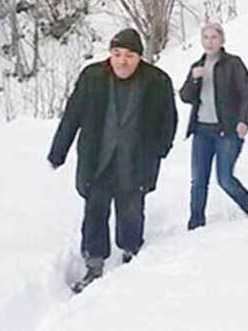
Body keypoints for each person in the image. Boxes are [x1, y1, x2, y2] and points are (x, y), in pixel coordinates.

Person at [47, 29, 177, 293]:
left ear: (139, 58)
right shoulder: (92, 77)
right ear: (110, 55)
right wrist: (58, 152)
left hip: (136, 161)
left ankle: (130, 253)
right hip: (98, 161)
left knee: (131, 212)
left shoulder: (157, 81)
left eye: (129, 55)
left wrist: (160, 149)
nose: (122, 61)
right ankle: (94, 265)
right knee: (94, 213)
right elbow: (73, 114)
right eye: (117, 54)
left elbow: (169, 119)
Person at [179, 23, 248, 231]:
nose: (210, 42)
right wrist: (194, 79)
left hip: (227, 130)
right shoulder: (197, 65)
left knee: (224, 178)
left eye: (214, 37)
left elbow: (247, 94)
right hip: (201, 131)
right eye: (206, 38)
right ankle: (196, 222)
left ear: (222, 40)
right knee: (198, 180)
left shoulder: (233, 64)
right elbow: (185, 96)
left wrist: (244, 121)